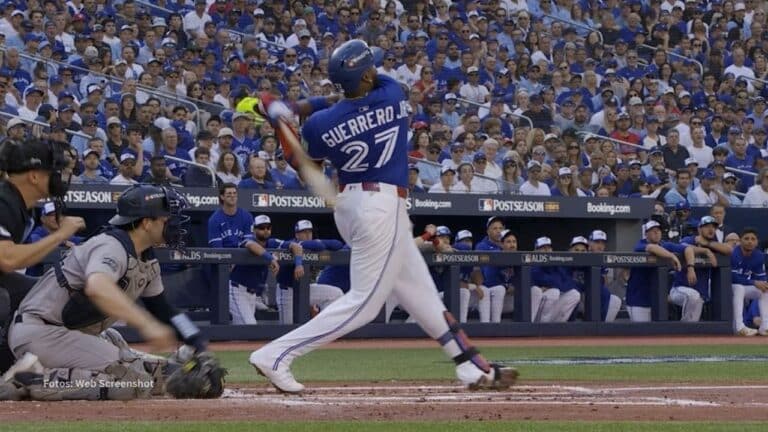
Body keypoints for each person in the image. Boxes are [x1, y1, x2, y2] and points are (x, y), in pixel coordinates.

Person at [249, 40, 515, 394]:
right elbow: (338, 100)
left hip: (351, 205)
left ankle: (470, 366)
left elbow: (305, 167)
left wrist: (286, 114)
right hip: (381, 206)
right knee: (365, 304)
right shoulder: (392, 92)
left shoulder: (319, 127)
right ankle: (276, 354)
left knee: (421, 294)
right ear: (367, 73)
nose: (375, 69)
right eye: (370, 67)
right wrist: (296, 107)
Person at [2, 185, 215, 401]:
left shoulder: (146, 258)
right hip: (41, 332)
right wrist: (146, 324)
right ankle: (29, 379)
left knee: (158, 373)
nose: (173, 223)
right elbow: (98, 287)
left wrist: (195, 340)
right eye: (166, 218)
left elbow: (164, 310)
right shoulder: (111, 246)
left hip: (70, 333)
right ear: (146, 222)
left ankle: (47, 373)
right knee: (133, 382)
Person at [0, 138, 84, 375]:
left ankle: (9, 366)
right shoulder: (4, 201)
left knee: (41, 294)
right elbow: (7, 259)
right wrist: (60, 235)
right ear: (34, 176)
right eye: (53, 172)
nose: (59, 177)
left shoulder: (24, 204)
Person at [207, 184, 270, 324]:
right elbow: (217, 249)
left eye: (234, 193)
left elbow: (249, 242)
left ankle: (259, 292)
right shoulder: (214, 219)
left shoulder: (246, 216)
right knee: (249, 326)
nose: (232, 196)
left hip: (242, 271)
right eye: (228, 194)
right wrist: (230, 262)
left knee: (241, 330)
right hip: (226, 275)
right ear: (222, 197)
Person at [626, 220, 694, 322]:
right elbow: (651, 248)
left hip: (655, 299)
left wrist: (690, 267)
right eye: (653, 230)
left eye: (658, 230)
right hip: (637, 299)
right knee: (641, 334)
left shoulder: (664, 245)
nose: (657, 232)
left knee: (656, 335)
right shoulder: (640, 245)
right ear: (646, 234)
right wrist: (671, 256)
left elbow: (688, 249)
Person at [671, 216, 730, 322]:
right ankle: (682, 329)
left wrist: (708, 245)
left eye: (713, 226)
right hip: (680, 289)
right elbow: (683, 246)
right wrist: (705, 251)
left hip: (700, 293)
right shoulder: (689, 239)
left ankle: (686, 334)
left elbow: (729, 250)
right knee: (693, 296)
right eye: (707, 226)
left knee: (694, 320)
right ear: (699, 229)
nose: (711, 229)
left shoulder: (714, 244)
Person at [292, 220, 345, 317]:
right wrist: (318, 243)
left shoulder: (311, 244)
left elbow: (338, 244)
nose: (308, 235)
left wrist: (320, 241)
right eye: (304, 232)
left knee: (336, 293)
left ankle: (324, 326)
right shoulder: (293, 244)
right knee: (288, 327)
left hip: (306, 288)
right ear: (297, 235)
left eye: (309, 232)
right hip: (289, 291)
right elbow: (318, 246)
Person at [24, 202, 83, 277]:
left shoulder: (65, 234)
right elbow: (34, 241)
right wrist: (62, 242)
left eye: (59, 215)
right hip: (36, 283)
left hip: (57, 284)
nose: (56, 217)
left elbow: (82, 241)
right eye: (52, 215)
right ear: (43, 219)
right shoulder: (38, 233)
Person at [731, 228, 768, 336]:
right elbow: (733, 278)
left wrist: (764, 284)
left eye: (753, 239)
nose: (750, 241)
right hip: (728, 287)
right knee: (739, 287)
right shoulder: (734, 253)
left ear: (757, 242)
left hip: (745, 286)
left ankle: (765, 327)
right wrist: (754, 282)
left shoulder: (759, 255)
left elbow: (761, 277)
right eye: (746, 238)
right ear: (740, 241)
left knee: (765, 290)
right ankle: (739, 327)